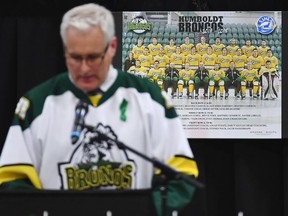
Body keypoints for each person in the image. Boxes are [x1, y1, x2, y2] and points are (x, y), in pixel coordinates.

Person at [0, 3, 199, 216]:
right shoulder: (36, 104)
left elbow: (182, 176)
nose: (84, 68)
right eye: (75, 58)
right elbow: (12, 181)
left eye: (93, 57)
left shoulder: (149, 98)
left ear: (112, 47)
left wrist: (149, 209)